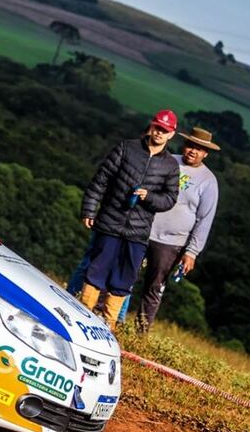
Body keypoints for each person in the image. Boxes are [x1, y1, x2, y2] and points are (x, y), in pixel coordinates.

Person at [78, 110, 181, 328]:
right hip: (110, 222)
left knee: (123, 280)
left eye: (164, 130)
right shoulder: (126, 148)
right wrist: (89, 210)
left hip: (138, 232)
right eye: (157, 127)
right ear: (151, 126)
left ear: (171, 134)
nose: (159, 133)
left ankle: (108, 326)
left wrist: (149, 197)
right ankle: (81, 316)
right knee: (96, 272)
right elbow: (100, 180)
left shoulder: (171, 165)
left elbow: (170, 199)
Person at [133, 126, 220, 333]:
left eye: (199, 149)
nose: (193, 151)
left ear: (205, 153)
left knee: (154, 287)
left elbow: (204, 219)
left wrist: (192, 252)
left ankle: (140, 333)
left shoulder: (208, 181)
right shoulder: (169, 160)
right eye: (190, 145)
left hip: (172, 242)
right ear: (184, 145)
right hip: (144, 228)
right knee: (125, 274)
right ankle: (110, 318)